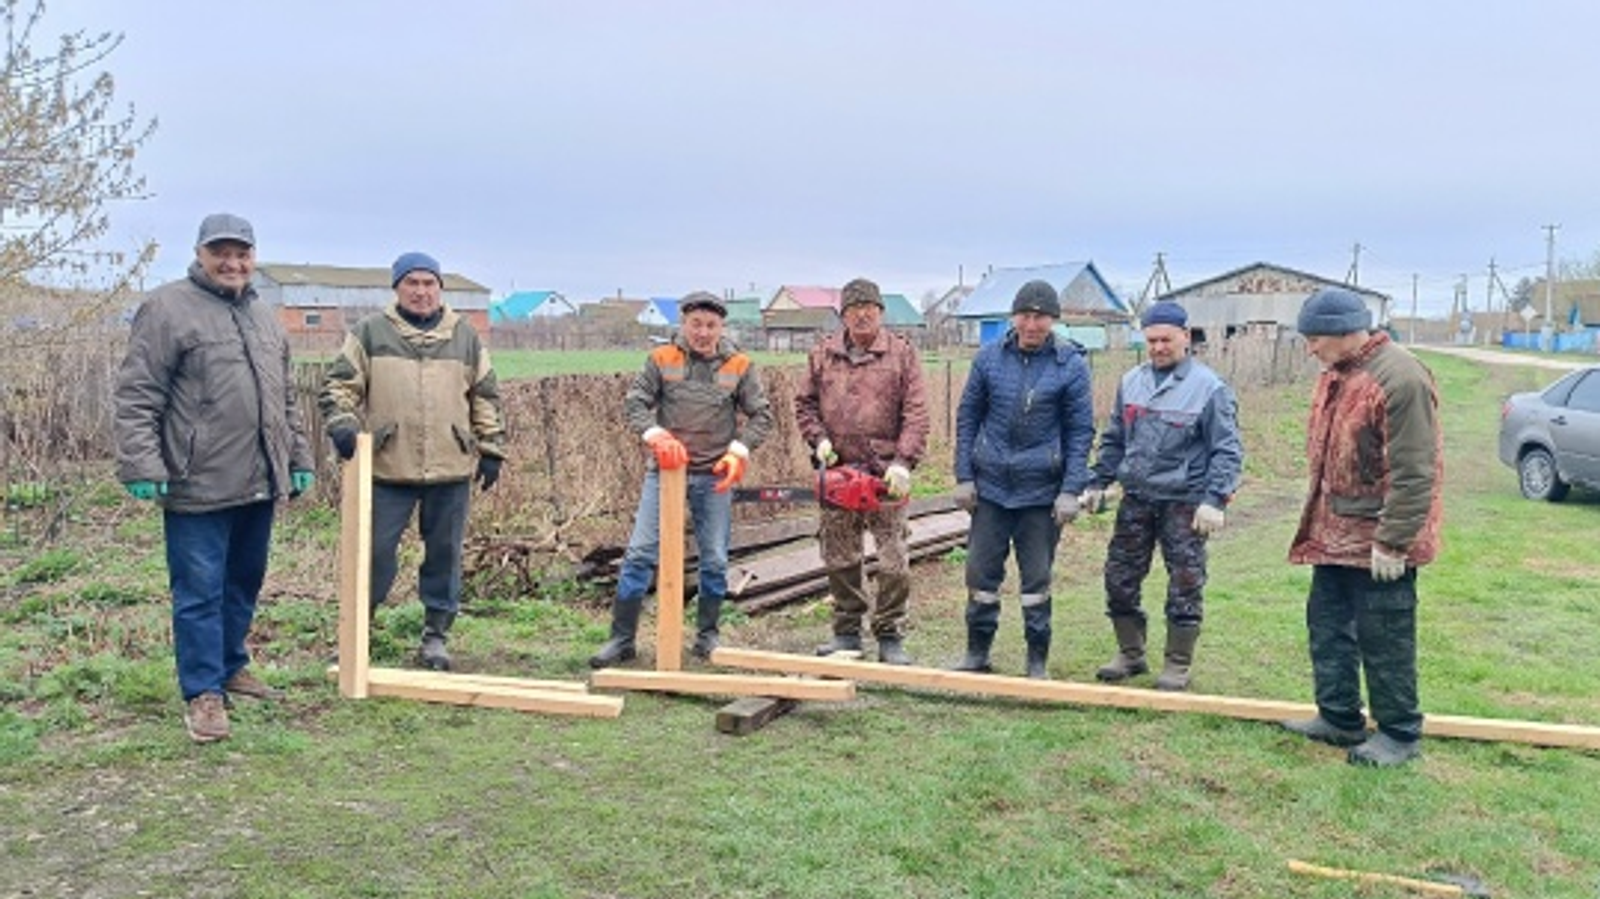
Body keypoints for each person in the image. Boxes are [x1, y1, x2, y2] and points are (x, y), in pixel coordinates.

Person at [114, 212, 314, 744]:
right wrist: (141, 463)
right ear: (201, 254)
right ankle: (202, 693)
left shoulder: (265, 317)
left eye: (242, 252)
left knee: (241, 582)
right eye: (220, 252)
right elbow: (138, 394)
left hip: (258, 478)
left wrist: (298, 456)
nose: (232, 262)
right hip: (196, 480)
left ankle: (230, 665)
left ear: (254, 257)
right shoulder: (168, 308)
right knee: (199, 590)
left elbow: (285, 400)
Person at [318, 251, 506, 672]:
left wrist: (492, 448)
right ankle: (356, 635)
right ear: (397, 288)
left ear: (440, 288)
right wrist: (344, 424)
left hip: (450, 468)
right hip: (387, 467)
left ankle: (435, 637)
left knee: (444, 556)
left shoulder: (465, 337)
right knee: (374, 555)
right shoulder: (370, 332)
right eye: (412, 283)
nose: (421, 291)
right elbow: (338, 386)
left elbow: (486, 395)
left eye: (429, 283)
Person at [1283, 287, 1442, 767]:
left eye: (1316, 338)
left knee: (1385, 634)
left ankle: (1398, 733)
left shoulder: (1400, 378)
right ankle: (1339, 718)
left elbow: (1415, 470)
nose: (1310, 348)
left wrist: (1393, 542)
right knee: (1327, 625)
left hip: (1378, 537)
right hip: (1333, 531)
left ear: (1348, 332)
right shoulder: (1339, 372)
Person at [589, 291, 774, 667]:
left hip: (713, 476)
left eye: (711, 325)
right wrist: (655, 436)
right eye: (696, 324)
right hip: (666, 473)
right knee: (640, 553)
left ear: (721, 327)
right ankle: (621, 640)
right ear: (683, 323)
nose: (703, 333)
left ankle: (707, 638)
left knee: (715, 560)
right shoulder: (662, 359)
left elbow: (762, 416)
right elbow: (635, 402)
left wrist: (738, 452)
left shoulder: (739, 364)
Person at [1083, 300, 1243, 691]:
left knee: (1185, 582)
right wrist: (1099, 481)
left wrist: (1216, 498)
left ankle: (1177, 662)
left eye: (1165, 339)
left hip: (1185, 502)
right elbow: (1116, 439)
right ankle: (1130, 653)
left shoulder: (1210, 389)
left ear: (1185, 338)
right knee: (1119, 577)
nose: (1157, 347)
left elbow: (1227, 449)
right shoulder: (1131, 382)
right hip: (1137, 497)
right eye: (1151, 340)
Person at [951, 280, 1095, 679]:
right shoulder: (988, 359)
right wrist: (964, 475)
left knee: (1036, 582)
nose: (1032, 324)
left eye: (1041, 317)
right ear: (1013, 317)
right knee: (981, 578)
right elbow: (967, 419)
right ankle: (976, 654)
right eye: (1026, 316)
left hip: (1041, 494)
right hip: (991, 490)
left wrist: (1070, 490)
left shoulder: (1071, 366)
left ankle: (1036, 662)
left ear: (1053, 320)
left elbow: (1081, 431)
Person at [796, 277, 931, 665]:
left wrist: (904, 461)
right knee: (839, 558)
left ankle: (890, 633)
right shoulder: (823, 354)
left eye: (869, 310)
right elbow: (804, 404)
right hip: (838, 472)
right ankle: (847, 633)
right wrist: (817, 439)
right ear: (844, 316)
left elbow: (917, 413)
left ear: (880, 313)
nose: (862, 317)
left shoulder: (901, 354)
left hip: (885, 475)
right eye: (854, 311)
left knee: (893, 562)